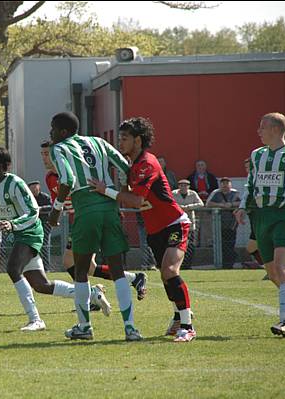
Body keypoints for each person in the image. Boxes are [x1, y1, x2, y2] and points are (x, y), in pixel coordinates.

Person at [0, 147, 112, 333]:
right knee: (41, 285)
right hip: (17, 232)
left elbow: (33, 212)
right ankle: (91, 294)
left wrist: (13, 224)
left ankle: (35, 320)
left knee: (13, 268)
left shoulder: (15, 184)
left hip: (30, 232)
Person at [90, 117, 196, 342]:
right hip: (154, 229)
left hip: (174, 223)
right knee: (166, 276)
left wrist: (105, 190)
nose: (120, 142)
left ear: (138, 140)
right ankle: (179, 315)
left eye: (125, 138)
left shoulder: (147, 163)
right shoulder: (133, 166)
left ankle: (187, 325)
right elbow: (130, 198)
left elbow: (136, 200)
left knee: (169, 270)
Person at [47, 112, 143, 342]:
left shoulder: (59, 148)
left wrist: (56, 209)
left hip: (86, 205)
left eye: (52, 129)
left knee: (81, 271)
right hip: (110, 207)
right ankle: (130, 328)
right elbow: (125, 166)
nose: (50, 134)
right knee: (118, 270)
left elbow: (68, 180)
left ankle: (85, 327)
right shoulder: (99, 141)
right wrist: (124, 191)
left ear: (62, 132)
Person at [234, 112, 285, 337]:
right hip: (261, 217)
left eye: (262, 127)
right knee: (273, 274)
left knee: (282, 269)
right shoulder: (256, 155)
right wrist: (243, 206)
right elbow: (250, 185)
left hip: (284, 216)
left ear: (275, 129)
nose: (258, 131)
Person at [40, 140, 147, 306]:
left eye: (47, 154)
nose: (45, 158)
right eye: (42, 154)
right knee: (89, 267)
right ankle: (133, 279)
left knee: (71, 262)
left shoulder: (74, 172)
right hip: (81, 221)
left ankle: (90, 299)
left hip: (92, 218)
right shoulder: (50, 178)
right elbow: (60, 200)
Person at [206, 177, 241, 269]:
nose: (225, 185)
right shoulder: (216, 193)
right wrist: (221, 205)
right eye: (223, 183)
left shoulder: (235, 193)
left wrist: (231, 205)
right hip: (219, 223)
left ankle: (229, 263)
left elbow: (241, 202)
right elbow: (208, 204)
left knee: (230, 243)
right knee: (221, 244)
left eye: (227, 183)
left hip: (232, 223)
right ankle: (223, 263)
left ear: (230, 184)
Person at [172, 179, 204, 269]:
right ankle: (178, 264)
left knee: (190, 245)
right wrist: (180, 208)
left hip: (190, 223)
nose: (183, 187)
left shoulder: (193, 193)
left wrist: (189, 207)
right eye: (181, 185)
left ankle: (188, 264)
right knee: (177, 244)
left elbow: (201, 204)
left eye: (185, 185)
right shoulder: (173, 193)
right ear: (178, 186)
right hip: (177, 223)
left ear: (188, 186)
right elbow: (170, 203)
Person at [27, 181, 53, 271]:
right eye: (32, 188)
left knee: (45, 246)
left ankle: (46, 268)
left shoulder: (45, 197)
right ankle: (33, 268)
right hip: (32, 225)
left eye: (36, 188)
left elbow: (51, 207)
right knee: (31, 245)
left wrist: (41, 209)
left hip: (45, 224)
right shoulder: (28, 198)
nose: (34, 190)